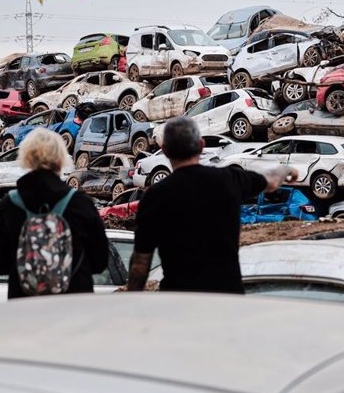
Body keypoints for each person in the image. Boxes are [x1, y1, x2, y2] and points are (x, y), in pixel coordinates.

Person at [127, 116, 296, 294]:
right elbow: (271, 181)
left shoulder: (154, 197)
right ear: (201, 146)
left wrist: (132, 301)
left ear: (165, 151)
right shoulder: (230, 179)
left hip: (177, 300)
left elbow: (140, 263)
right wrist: (287, 169)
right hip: (226, 297)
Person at [0, 128, 109, 298]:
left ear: (27, 158)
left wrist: (27, 264)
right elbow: (100, 262)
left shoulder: (9, 205)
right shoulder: (80, 203)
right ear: (60, 159)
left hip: (26, 308)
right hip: (74, 308)